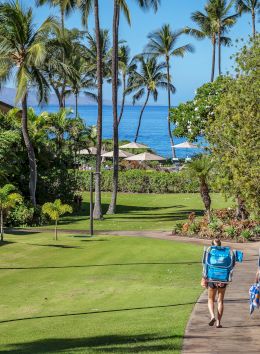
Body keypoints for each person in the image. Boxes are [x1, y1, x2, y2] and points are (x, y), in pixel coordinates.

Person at [203, 239, 227, 328]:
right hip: (223, 278)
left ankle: (212, 316)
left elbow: (205, 265)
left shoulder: (209, 251)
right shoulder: (226, 252)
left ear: (212, 245)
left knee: (210, 299)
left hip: (212, 278)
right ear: (220, 244)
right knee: (220, 301)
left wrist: (204, 278)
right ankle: (218, 322)